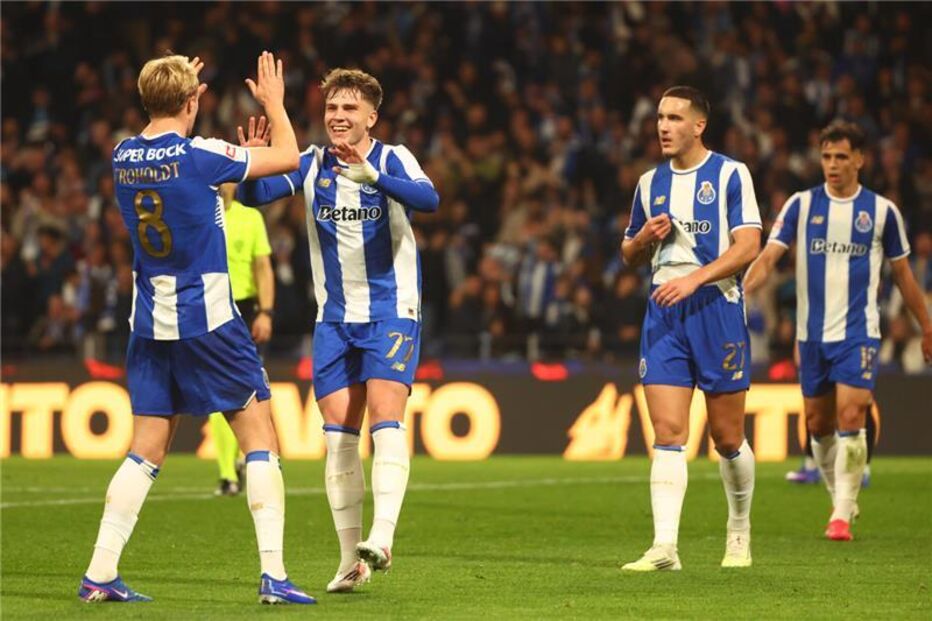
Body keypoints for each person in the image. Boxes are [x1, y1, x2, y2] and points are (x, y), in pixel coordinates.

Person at [78, 52, 315, 604]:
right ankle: (274, 576)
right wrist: (275, 105)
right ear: (194, 100)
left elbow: (166, 148)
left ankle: (100, 573)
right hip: (208, 318)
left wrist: (169, 78)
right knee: (260, 435)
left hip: (148, 322)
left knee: (147, 446)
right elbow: (287, 157)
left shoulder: (121, 155)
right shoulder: (201, 155)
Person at [237, 68, 439, 593]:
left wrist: (373, 176)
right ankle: (351, 561)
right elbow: (254, 201)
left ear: (372, 117)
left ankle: (384, 535)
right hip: (334, 319)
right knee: (338, 438)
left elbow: (428, 200)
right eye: (332, 109)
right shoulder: (311, 161)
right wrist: (252, 167)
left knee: (387, 416)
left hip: (392, 311)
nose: (338, 118)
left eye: (349, 110)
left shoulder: (393, 158)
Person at [745, 121, 932, 541]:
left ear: (860, 160)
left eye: (841, 157)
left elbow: (903, 276)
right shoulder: (800, 205)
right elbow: (769, 256)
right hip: (811, 337)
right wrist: (741, 291)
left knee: (853, 414)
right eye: (827, 157)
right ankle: (840, 499)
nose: (832, 165)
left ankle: (842, 515)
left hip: (857, 332)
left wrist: (927, 326)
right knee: (818, 424)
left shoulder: (882, 213)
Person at [619, 86, 762, 571]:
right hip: (664, 311)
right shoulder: (647, 183)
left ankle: (738, 530)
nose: (663, 126)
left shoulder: (729, 175)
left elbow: (748, 246)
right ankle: (665, 548)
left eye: (675, 118)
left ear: (699, 125)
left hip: (715, 307)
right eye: (660, 117)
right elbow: (628, 254)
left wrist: (695, 279)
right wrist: (642, 238)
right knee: (668, 431)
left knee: (726, 437)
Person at [210, 178, 275, 497]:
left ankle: (238, 458)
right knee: (215, 390)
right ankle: (227, 473)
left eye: (229, 181)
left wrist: (266, 311)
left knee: (246, 389)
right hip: (209, 306)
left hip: (244, 308)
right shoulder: (201, 214)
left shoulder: (250, 217)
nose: (223, 187)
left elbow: (262, 267)